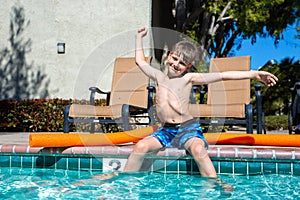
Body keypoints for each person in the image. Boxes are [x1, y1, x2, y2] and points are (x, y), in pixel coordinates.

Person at [95, 27, 278, 188]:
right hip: (166, 131)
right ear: (168, 56)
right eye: (174, 59)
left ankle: (215, 184)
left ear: (188, 67)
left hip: (188, 129)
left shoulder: (189, 79)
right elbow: (140, 62)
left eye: (182, 63)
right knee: (141, 146)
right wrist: (138, 38)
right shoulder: (159, 76)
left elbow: (222, 75)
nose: (176, 64)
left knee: (198, 150)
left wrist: (254, 74)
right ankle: (127, 182)